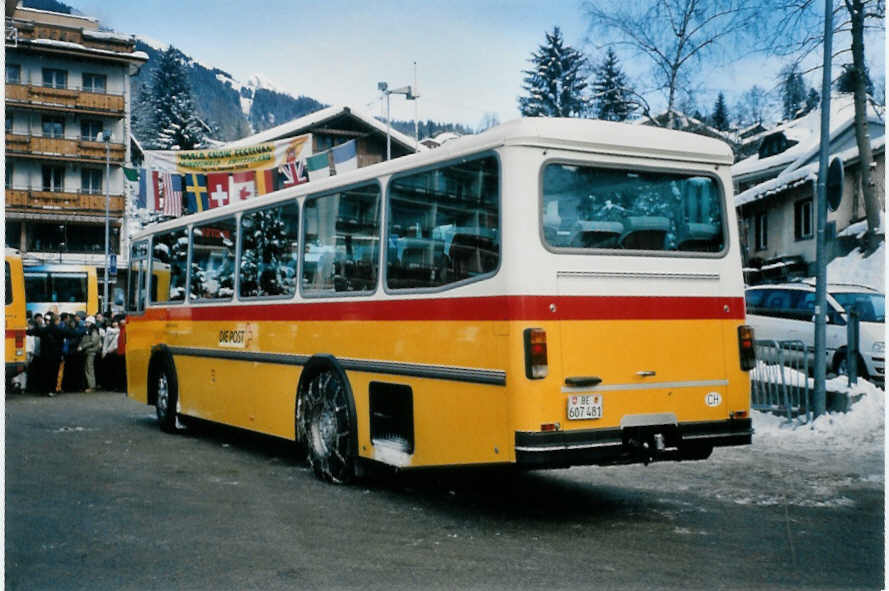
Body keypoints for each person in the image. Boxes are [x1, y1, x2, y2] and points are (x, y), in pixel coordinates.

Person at [78, 317, 101, 392]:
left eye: (87, 322)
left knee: (89, 369)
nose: (86, 324)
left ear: (91, 323)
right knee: (88, 368)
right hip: (88, 351)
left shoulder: (93, 331)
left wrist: (83, 346)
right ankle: (90, 385)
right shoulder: (90, 330)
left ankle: (92, 386)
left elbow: (93, 342)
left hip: (91, 352)